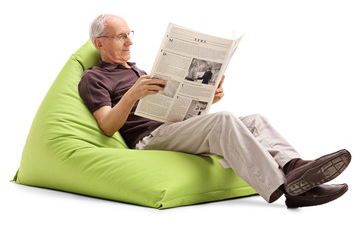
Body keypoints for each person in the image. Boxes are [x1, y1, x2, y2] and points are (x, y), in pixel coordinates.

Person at [78, 14, 352, 208]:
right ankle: (285, 188)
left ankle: (295, 168)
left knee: (255, 119)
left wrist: (208, 96)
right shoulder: (95, 78)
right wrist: (132, 95)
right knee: (223, 121)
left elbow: (178, 108)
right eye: (120, 36)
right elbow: (107, 126)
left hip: (172, 127)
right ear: (99, 43)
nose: (129, 42)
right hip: (148, 140)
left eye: (129, 34)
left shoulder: (140, 70)